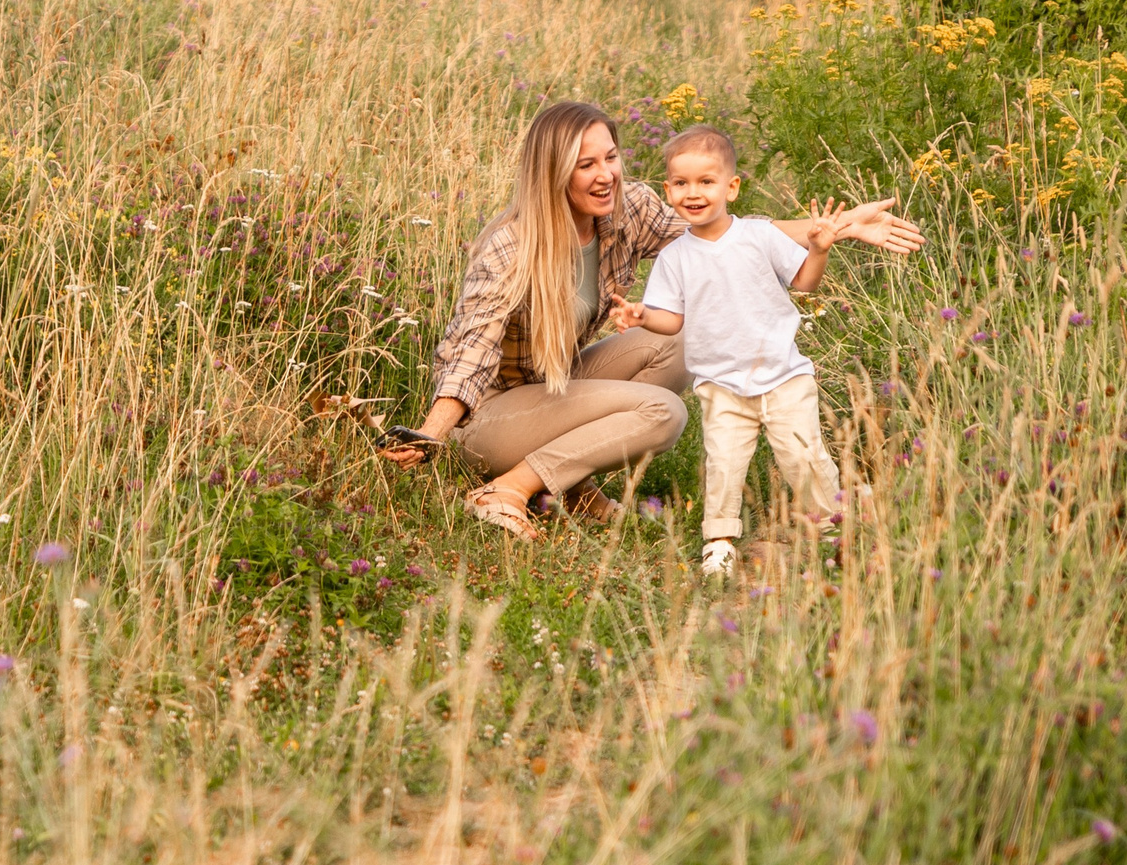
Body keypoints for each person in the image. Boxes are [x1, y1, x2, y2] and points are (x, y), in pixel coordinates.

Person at [377, 101, 919, 539]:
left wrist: (840, 227)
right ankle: (509, 488)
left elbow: (725, 235)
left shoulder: (627, 209)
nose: (605, 175)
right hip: (492, 422)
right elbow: (470, 352)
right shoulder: (511, 247)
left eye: (610, 157)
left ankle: (564, 487)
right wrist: (429, 435)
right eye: (585, 165)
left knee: (685, 335)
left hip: (556, 389)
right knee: (661, 414)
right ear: (553, 173)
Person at [620, 124, 856, 577]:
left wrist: (819, 249)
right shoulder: (675, 257)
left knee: (802, 454)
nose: (694, 192)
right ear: (667, 189)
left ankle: (831, 525)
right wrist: (642, 316)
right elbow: (673, 320)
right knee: (724, 463)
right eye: (682, 183)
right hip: (720, 382)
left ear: (731, 187)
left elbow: (804, 283)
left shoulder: (758, 236)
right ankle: (720, 539)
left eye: (706, 182)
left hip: (784, 375)